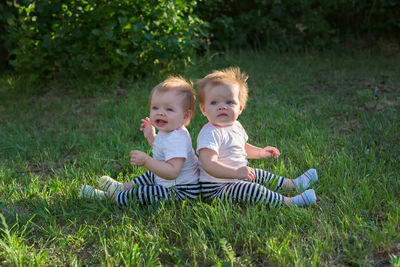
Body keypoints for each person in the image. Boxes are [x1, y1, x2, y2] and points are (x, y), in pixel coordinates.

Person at [196, 67, 318, 207]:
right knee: (250, 188)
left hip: (237, 177)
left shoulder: (236, 126)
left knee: (258, 173)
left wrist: (260, 152)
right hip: (216, 188)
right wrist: (236, 172)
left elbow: (242, 148)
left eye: (229, 102)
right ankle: (288, 202)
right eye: (214, 102)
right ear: (204, 109)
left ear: (240, 108)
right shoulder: (210, 133)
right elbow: (209, 164)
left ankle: (293, 184)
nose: (222, 107)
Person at [80, 77, 200, 205]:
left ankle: (110, 197)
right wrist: (151, 137)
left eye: (169, 109)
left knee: (145, 192)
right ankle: (123, 187)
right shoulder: (168, 131)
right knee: (151, 174)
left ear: (185, 116)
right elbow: (163, 152)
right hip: (169, 182)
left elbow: (172, 172)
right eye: (155, 108)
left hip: (182, 191)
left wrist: (147, 161)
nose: (160, 113)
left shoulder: (177, 139)